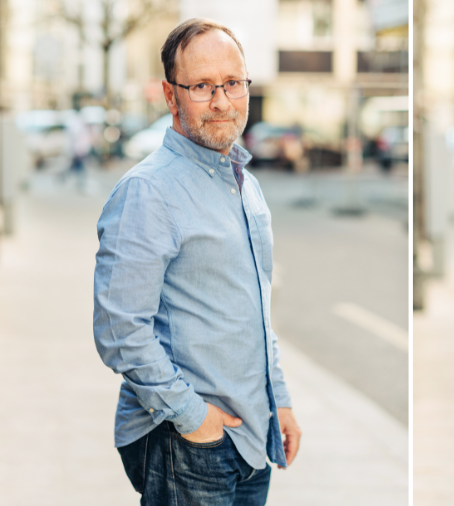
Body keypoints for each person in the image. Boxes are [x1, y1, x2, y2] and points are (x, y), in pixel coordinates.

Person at [93, 18, 301, 505]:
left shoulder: (244, 184)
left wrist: (280, 401)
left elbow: (253, 312)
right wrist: (190, 417)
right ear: (171, 96)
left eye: (232, 83)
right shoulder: (148, 192)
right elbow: (119, 328)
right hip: (186, 442)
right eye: (202, 86)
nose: (222, 101)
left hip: (251, 437)